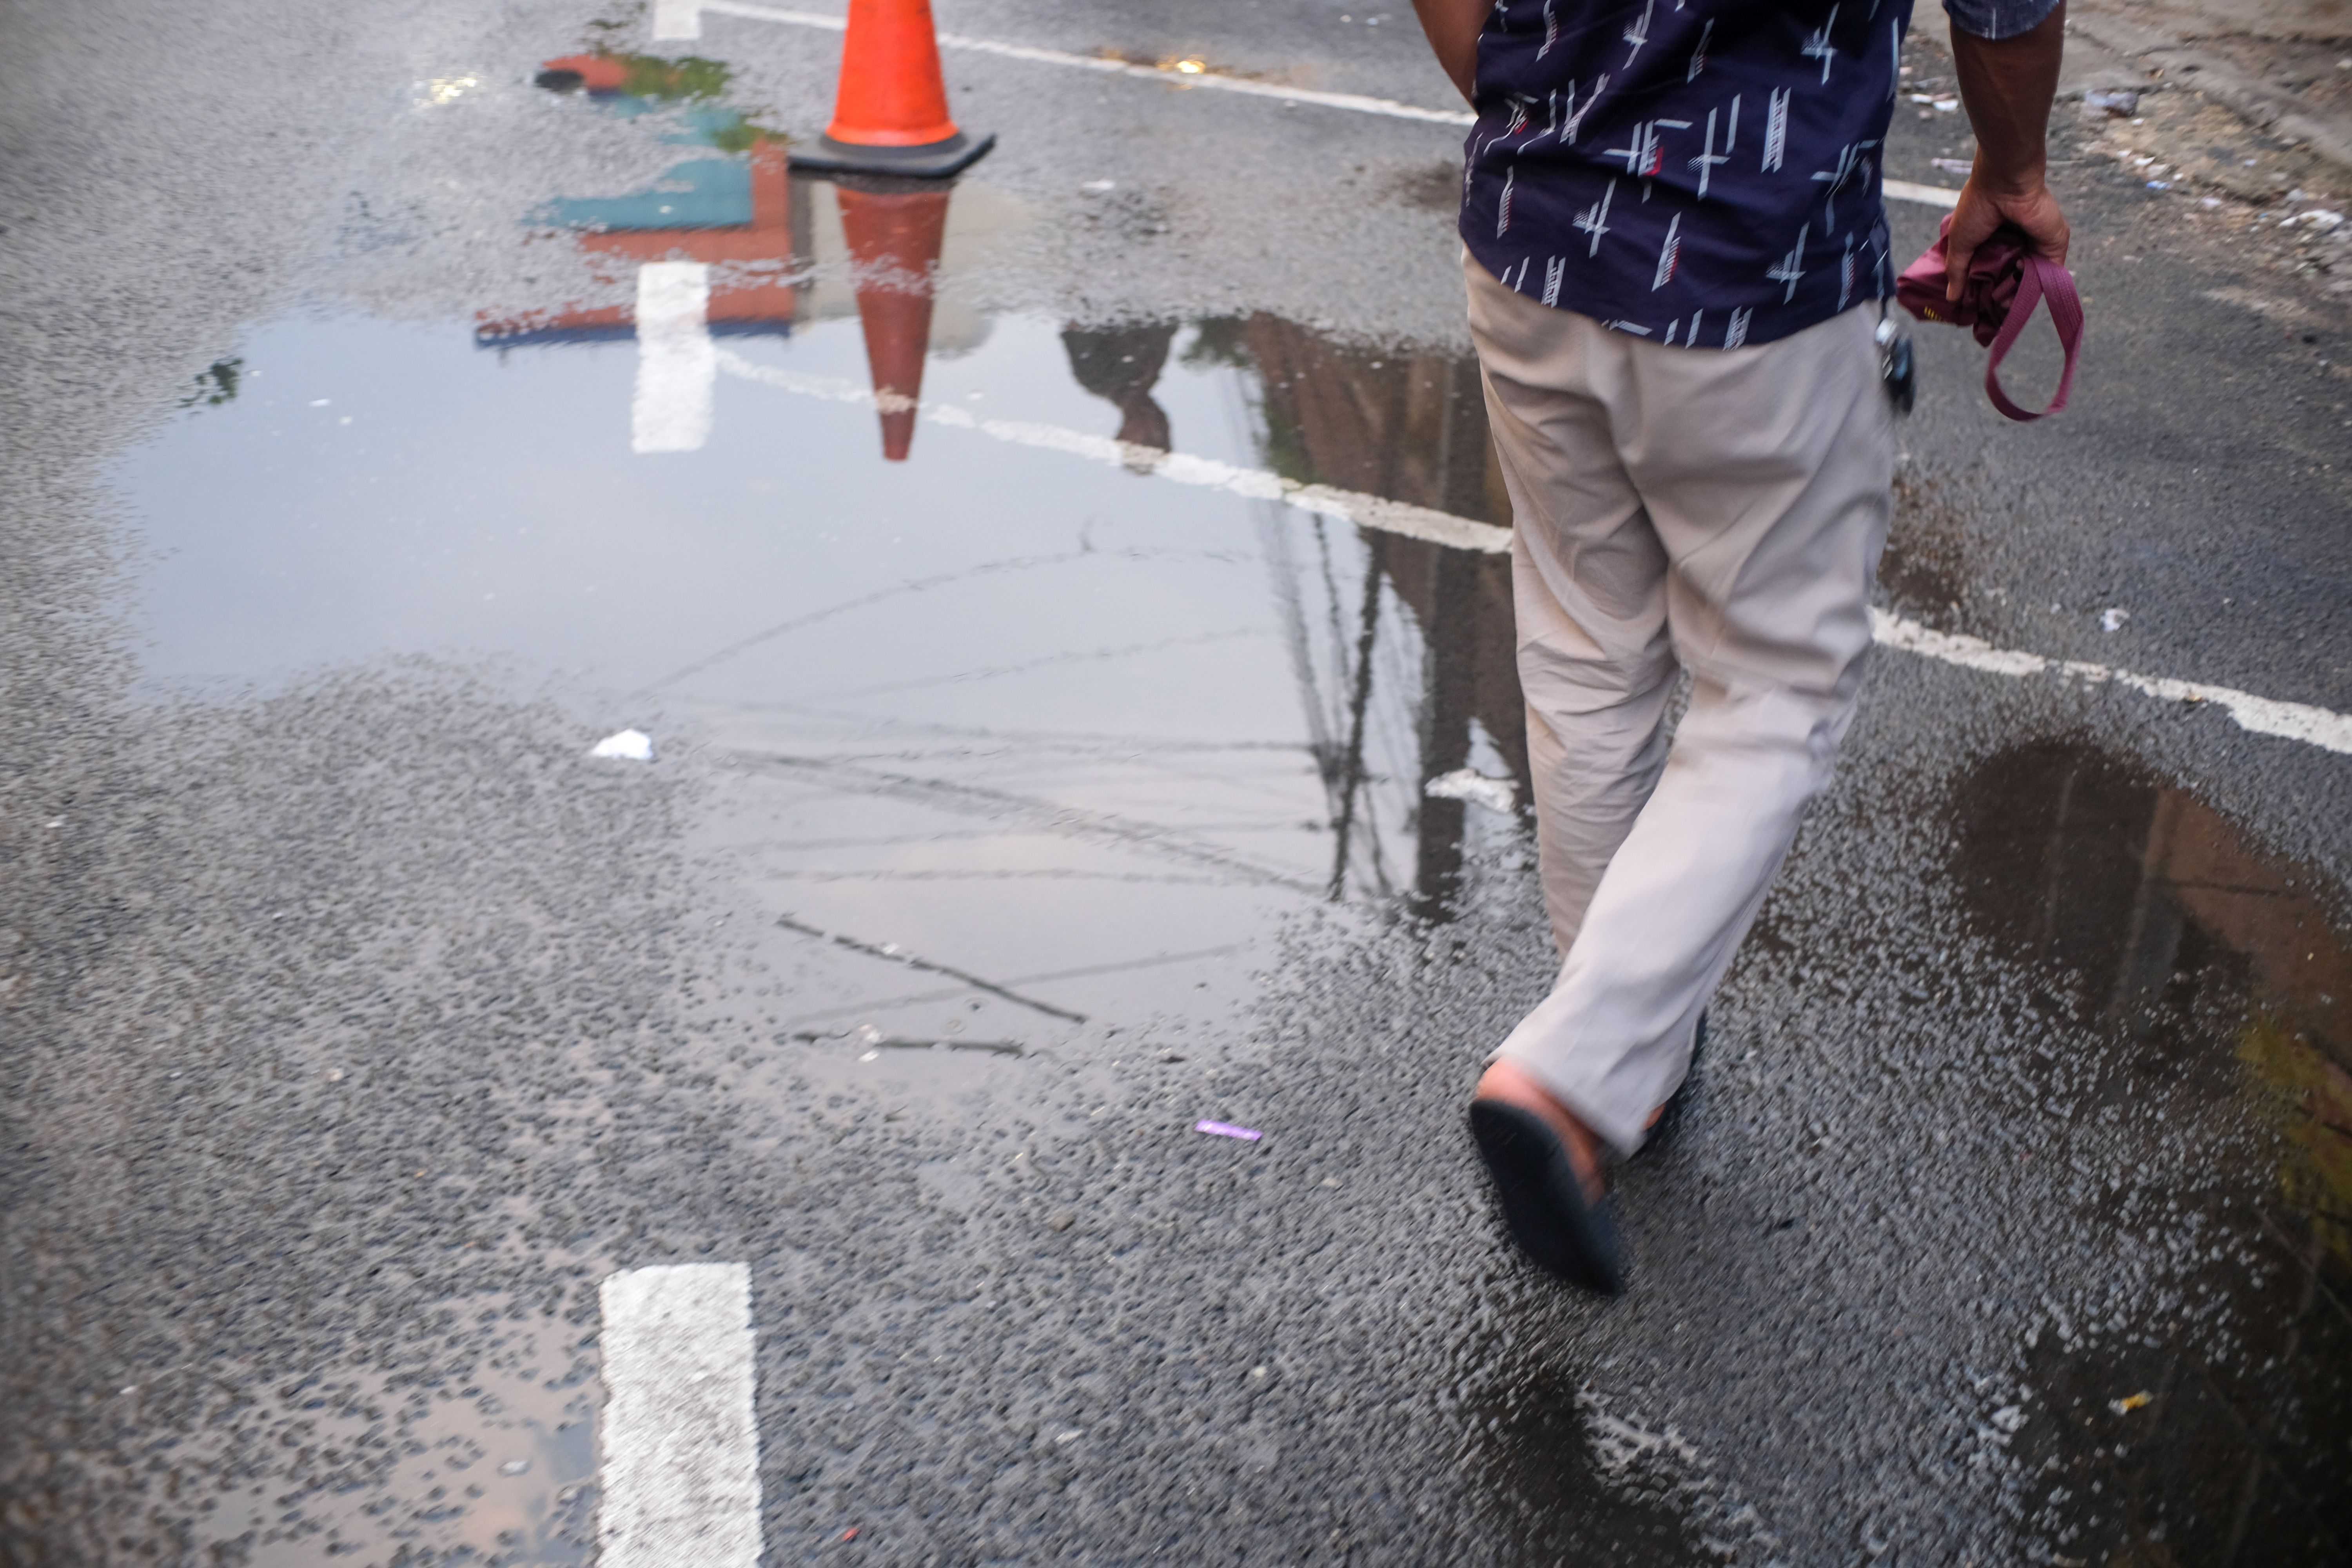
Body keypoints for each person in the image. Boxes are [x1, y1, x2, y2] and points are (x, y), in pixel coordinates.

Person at [1407, 0, 2070, 1291]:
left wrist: (1533, 112)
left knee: (1589, 660)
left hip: (1530, 245)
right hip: (1755, 276)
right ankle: (1577, 1072)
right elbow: (2005, 10)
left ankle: (1620, 1062)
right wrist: (2014, 175)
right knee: (1777, 685)